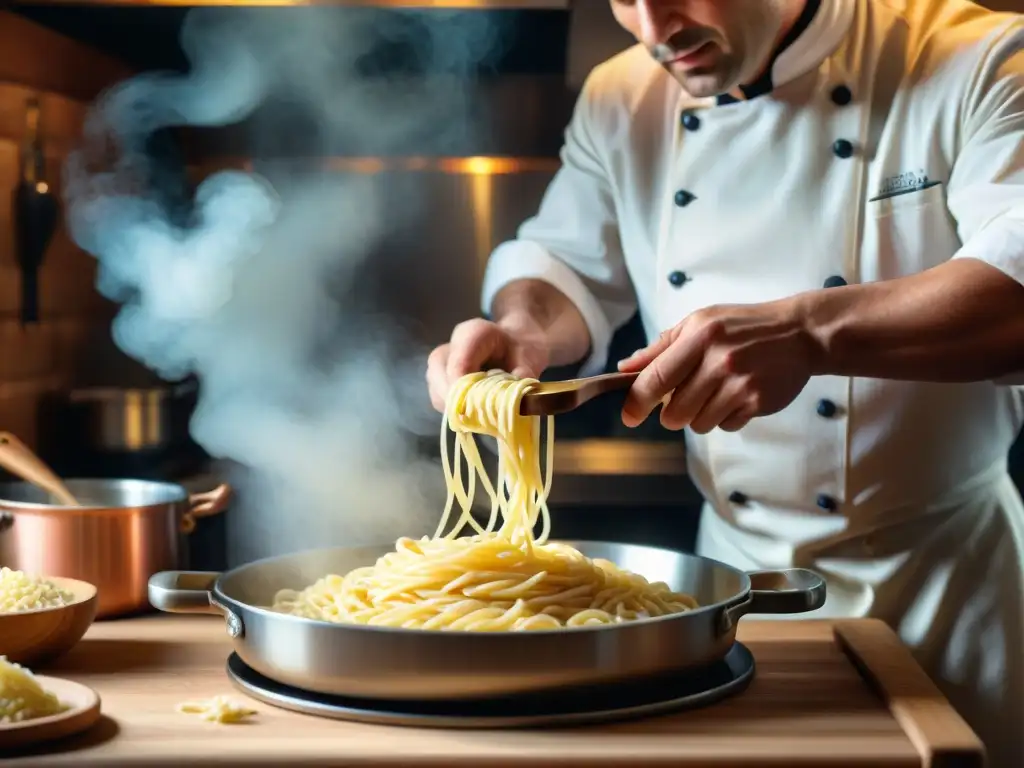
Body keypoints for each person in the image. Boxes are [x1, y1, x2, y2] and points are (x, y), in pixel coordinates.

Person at [426, 0, 1024, 762]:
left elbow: (1017, 291)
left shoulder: (977, 58)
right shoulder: (622, 93)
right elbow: (565, 264)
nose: (652, 27)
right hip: (729, 603)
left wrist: (810, 335)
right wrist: (523, 331)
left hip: (942, 593)